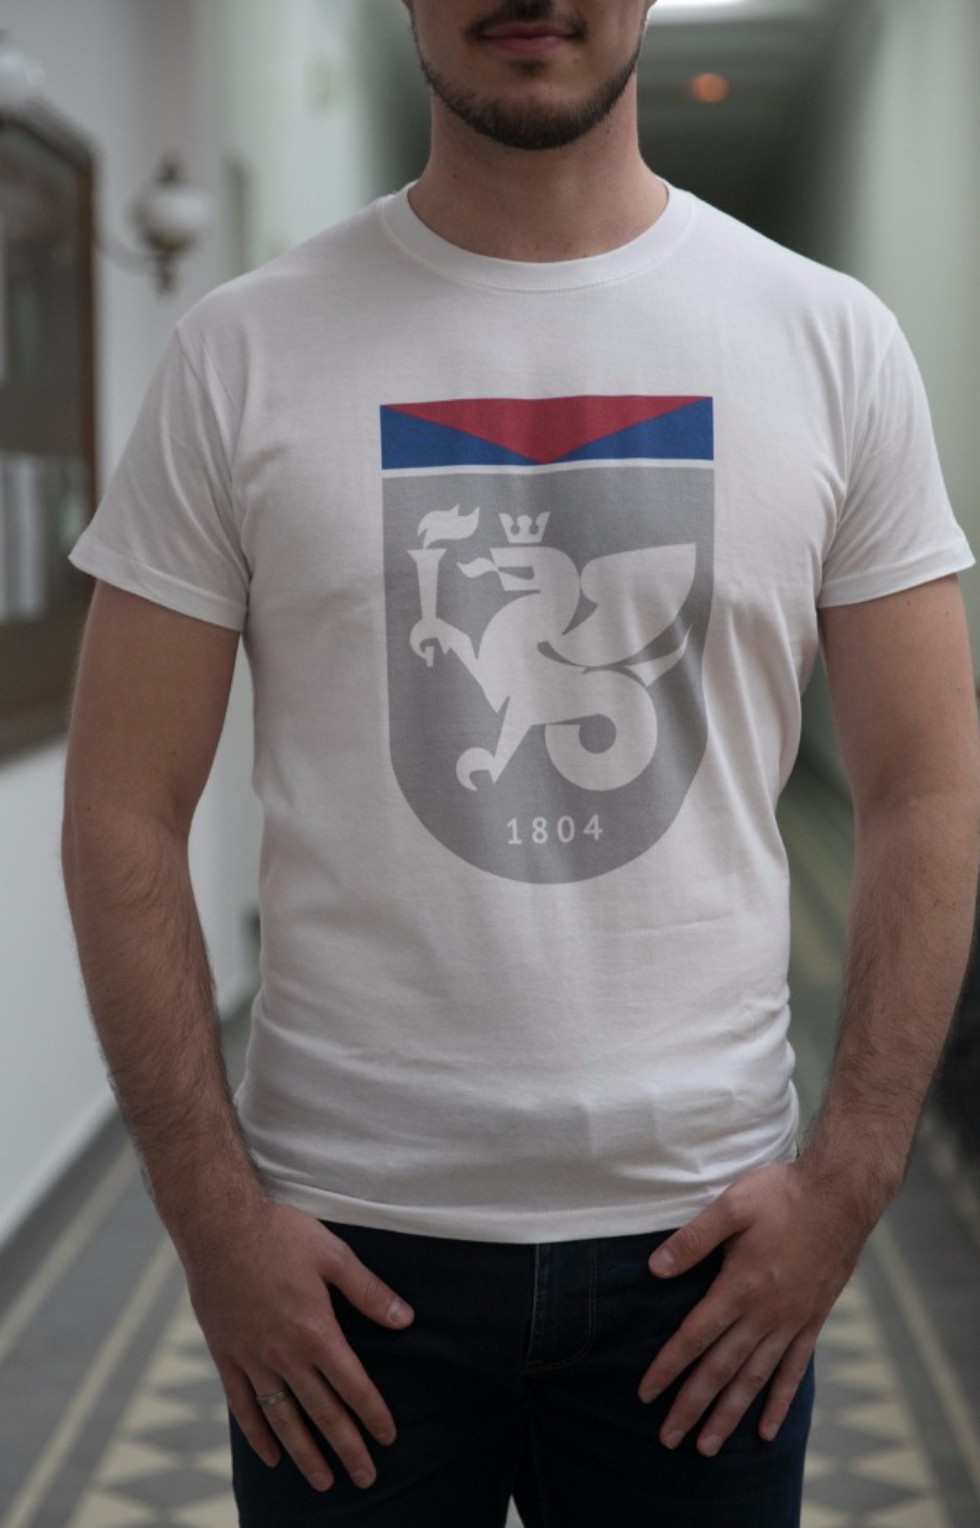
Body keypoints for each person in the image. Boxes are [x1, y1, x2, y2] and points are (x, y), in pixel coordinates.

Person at [61, 2, 979, 1524]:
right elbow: (121, 810)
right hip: (343, 1255)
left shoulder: (830, 342)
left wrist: (850, 1180)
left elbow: (928, 791)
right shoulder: (240, 351)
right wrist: (215, 1224)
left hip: (707, 1258)